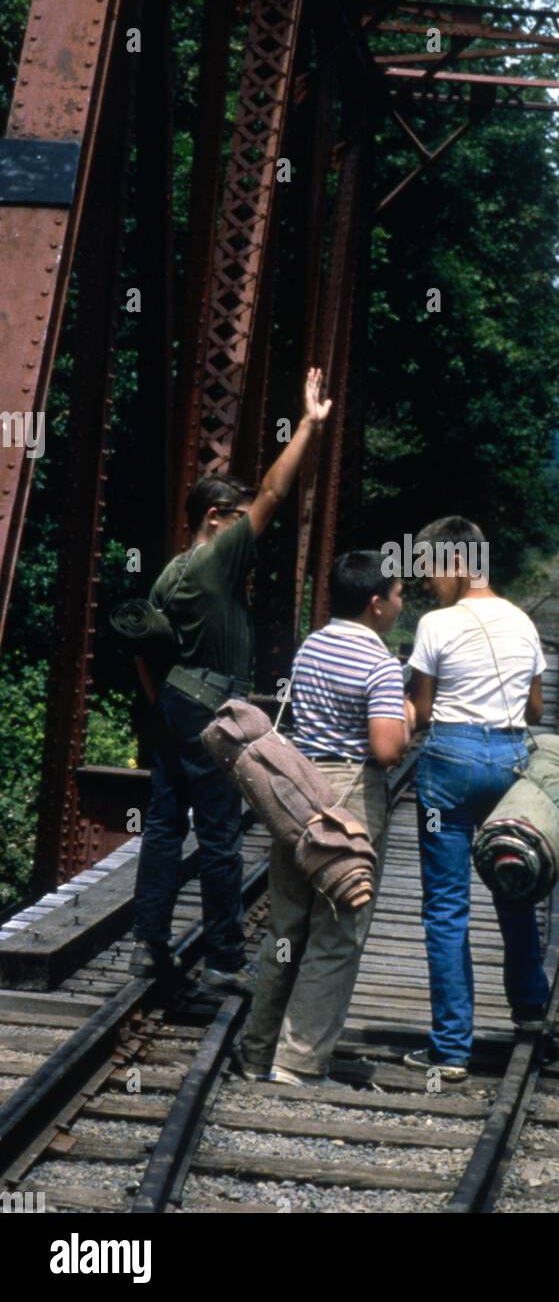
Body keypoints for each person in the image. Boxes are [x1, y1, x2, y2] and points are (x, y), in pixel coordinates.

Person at [130, 368, 332, 991]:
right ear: (218, 518)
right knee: (219, 834)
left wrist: (162, 702)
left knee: (165, 825)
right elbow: (273, 491)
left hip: (173, 707)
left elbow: (139, 647)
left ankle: (151, 944)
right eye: (241, 519)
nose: (253, 529)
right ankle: (223, 958)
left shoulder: (170, 572)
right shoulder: (216, 560)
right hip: (212, 709)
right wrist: (307, 425)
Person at [237, 550, 413, 1086]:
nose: (403, 602)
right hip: (347, 798)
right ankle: (299, 1062)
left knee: (286, 926)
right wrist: (405, 713)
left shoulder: (312, 645)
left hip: (295, 793)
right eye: (399, 594)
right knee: (337, 931)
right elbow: (386, 751)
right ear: (376, 603)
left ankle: (257, 1052)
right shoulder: (381, 664)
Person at [403, 516, 549, 1081]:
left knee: (446, 907)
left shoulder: (436, 624)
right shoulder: (524, 622)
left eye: (432, 570)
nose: (427, 584)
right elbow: (534, 711)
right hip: (510, 764)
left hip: (450, 767)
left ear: (458, 564)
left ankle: (453, 1048)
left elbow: (421, 707)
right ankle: (530, 1013)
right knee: (515, 889)